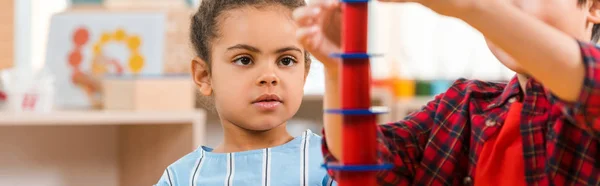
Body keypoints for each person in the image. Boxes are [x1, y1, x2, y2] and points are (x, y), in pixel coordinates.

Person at [294, 0, 600, 185]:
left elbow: (589, 83)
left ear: (595, 7)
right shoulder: (461, 107)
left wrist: (473, 7)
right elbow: (362, 162)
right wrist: (340, 70)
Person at [155, 0, 336, 185]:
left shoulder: (331, 164)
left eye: (286, 61)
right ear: (204, 76)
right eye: (244, 60)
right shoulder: (180, 178)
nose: (269, 76)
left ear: (304, 74)